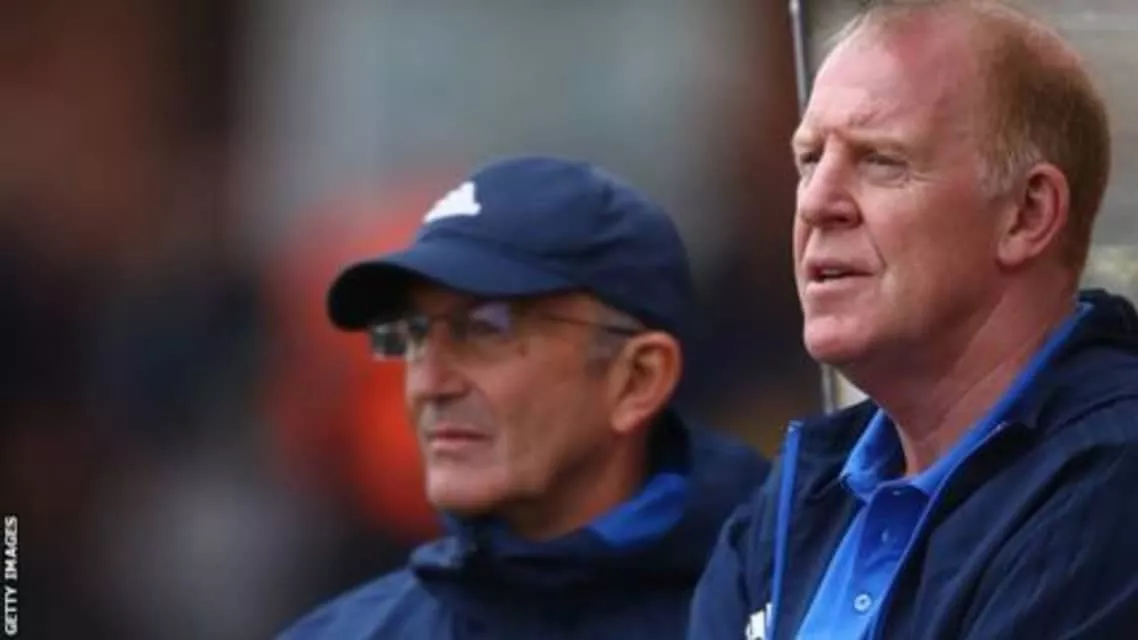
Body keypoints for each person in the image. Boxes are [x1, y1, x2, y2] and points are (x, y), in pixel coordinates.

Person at [689, 1, 1138, 639]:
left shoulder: (1112, 480)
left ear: (1027, 214)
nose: (817, 203)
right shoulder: (796, 498)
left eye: (881, 160)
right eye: (810, 160)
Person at [278, 155, 770, 639]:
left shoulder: (785, 612)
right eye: (413, 333)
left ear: (638, 379)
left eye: (485, 328)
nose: (429, 384)